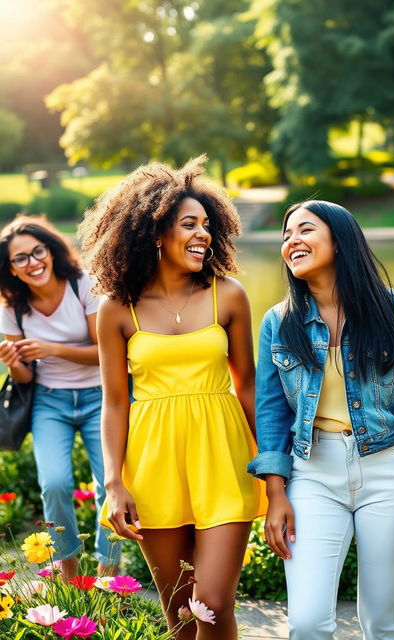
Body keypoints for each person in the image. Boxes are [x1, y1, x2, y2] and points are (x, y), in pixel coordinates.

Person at [80, 156, 266, 640]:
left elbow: (248, 385)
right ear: (154, 232)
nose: (202, 233)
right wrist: (114, 481)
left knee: (213, 602)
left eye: (207, 224)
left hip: (223, 459)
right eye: (189, 224)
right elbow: (115, 401)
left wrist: (272, 463)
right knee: (181, 613)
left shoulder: (229, 296)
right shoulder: (116, 308)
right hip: (153, 464)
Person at [248, 200, 394, 639]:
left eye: (304, 230)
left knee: (383, 620)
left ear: (340, 241)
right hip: (312, 473)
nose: (291, 241)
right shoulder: (278, 323)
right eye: (286, 235)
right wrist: (275, 493)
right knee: (306, 623)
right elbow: (270, 411)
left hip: (389, 469)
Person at [0, 215, 121, 578]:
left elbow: (106, 352)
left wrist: (51, 348)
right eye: (20, 258)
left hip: (101, 397)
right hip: (49, 402)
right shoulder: (10, 307)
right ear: (11, 270)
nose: (33, 262)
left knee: (110, 484)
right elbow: (24, 376)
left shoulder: (84, 284)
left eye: (38, 251)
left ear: (51, 252)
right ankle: (68, 571)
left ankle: (108, 571)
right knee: (53, 483)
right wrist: (13, 363)